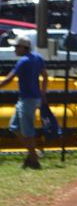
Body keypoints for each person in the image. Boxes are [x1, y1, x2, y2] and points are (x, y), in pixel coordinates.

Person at [0, 36, 47, 169]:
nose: (14, 49)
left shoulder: (23, 61)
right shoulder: (38, 58)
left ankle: (34, 159)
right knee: (14, 127)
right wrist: (43, 93)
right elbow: (45, 76)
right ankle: (32, 154)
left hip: (27, 100)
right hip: (32, 99)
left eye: (16, 47)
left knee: (27, 131)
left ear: (23, 47)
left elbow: (8, 79)